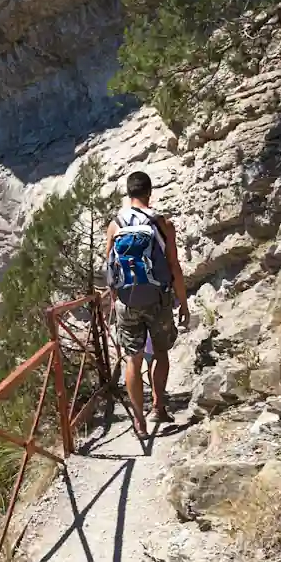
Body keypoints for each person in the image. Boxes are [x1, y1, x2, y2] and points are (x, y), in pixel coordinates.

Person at [105, 170, 189, 437]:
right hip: (157, 299)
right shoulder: (161, 222)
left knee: (133, 359)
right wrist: (183, 303)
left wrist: (113, 301)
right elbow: (174, 265)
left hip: (126, 302)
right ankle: (158, 406)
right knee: (160, 353)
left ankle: (139, 421)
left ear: (129, 194)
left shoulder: (115, 224)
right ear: (149, 193)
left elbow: (109, 269)